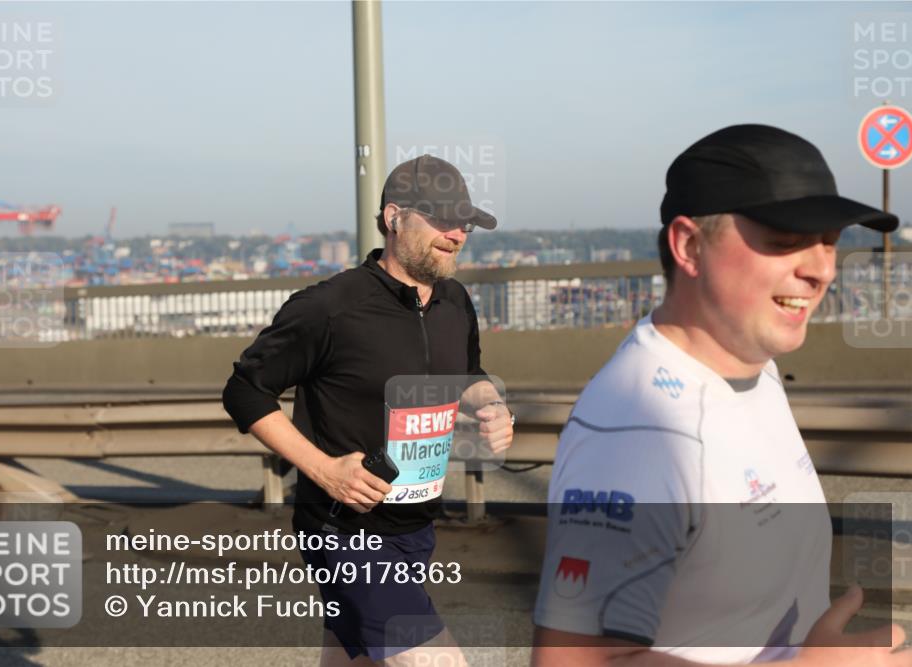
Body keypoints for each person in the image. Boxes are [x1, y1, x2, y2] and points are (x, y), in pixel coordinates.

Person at [531, 124, 907, 666]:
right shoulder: (641, 432)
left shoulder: (753, 360)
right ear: (689, 246)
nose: (822, 269)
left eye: (830, 240)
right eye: (785, 240)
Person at [223, 154, 514, 666]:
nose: (456, 234)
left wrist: (491, 404)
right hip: (344, 529)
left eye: (464, 222)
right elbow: (245, 390)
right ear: (393, 217)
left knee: (350, 657)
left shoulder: (455, 302)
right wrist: (325, 470)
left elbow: (468, 375)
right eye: (441, 220)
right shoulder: (330, 308)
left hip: (417, 525)